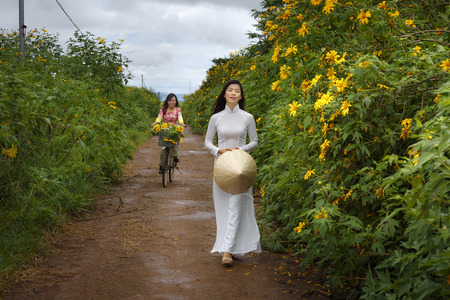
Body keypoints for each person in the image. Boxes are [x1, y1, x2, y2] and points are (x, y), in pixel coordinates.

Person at [204, 79, 261, 267]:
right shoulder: (216, 118)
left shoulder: (247, 117)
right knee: (223, 209)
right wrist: (218, 151)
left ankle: (227, 251)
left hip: (241, 167)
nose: (233, 93)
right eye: (230, 90)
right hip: (221, 166)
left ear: (241, 96)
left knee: (236, 205)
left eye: (237, 91)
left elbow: (254, 141)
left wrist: (241, 150)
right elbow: (207, 142)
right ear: (224, 94)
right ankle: (231, 246)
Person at [153, 93, 185, 173]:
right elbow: (159, 117)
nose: (172, 102)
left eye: (173, 101)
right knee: (163, 150)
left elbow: (180, 118)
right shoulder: (163, 109)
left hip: (174, 130)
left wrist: (181, 123)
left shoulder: (178, 110)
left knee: (173, 146)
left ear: (176, 101)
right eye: (170, 100)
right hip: (165, 130)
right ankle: (161, 165)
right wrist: (156, 123)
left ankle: (175, 157)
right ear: (167, 101)